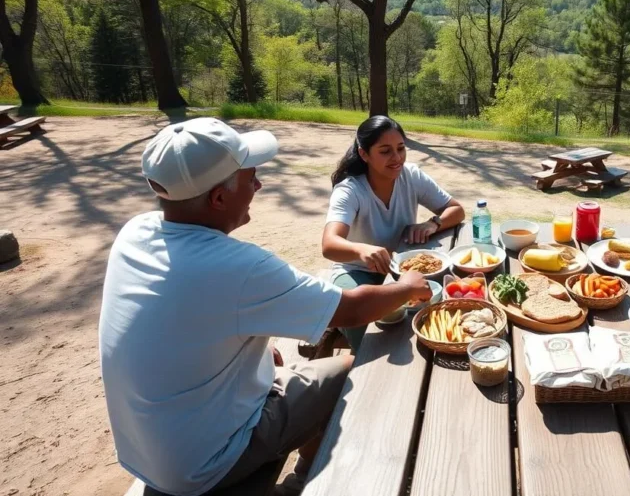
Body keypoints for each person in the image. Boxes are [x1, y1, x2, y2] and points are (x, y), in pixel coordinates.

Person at [98, 118, 432, 496]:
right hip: (205, 465)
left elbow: (185, 321)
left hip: (146, 451)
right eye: (250, 177)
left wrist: (250, 353)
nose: (259, 185)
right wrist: (407, 286)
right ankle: (300, 482)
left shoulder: (135, 232)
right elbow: (351, 310)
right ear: (218, 198)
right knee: (347, 368)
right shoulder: (240, 267)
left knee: (280, 358)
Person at [318, 115, 464, 353]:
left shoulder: (412, 176)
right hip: (358, 273)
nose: (396, 158)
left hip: (402, 269)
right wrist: (362, 250)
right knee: (372, 325)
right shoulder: (350, 190)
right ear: (364, 154)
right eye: (385, 151)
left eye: (401, 148)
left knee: (433, 309)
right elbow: (329, 245)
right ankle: (348, 347)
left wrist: (432, 224)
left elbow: (455, 209)